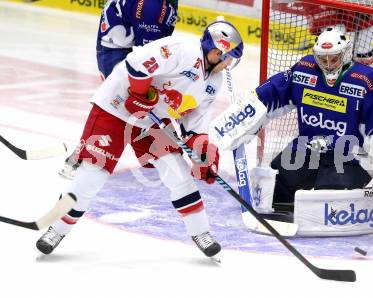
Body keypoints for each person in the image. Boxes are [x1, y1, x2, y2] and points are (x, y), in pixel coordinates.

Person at [36, 20, 244, 259]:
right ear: (217, 51)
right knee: (92, 177)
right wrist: (138, 93)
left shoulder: (213, 82)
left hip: (152, 119)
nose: (230, 64)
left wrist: (203, 150)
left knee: (178, 173)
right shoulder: (182, 49)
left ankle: (201, 232)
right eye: (229, 57)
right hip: (116, 107)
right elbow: (137, 64)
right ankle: (56, 228)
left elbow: (194, 123)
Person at [252, 27, 373, 213]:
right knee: (276, 186)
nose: (329, 64)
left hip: (349, 156)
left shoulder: (364, 79)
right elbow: (274, 91)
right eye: (323, 59)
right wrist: (248, 108)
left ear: (345, 54)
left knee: (331, 199)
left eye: (334, 58)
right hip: (308, 149)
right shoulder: (304, 70)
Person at [59, 0, 178, 179]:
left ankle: (158, 156)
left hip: (120, 46)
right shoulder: (153, 6)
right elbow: (149, 56)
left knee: (140, 107)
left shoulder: (159, 5)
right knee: (125, 106)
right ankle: (82, 155)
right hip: (117, 53)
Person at [300, 3, 373, 66]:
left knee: (364, 55)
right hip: (329, 7)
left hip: (358, 8)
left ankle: (364, 78)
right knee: (330, 48)